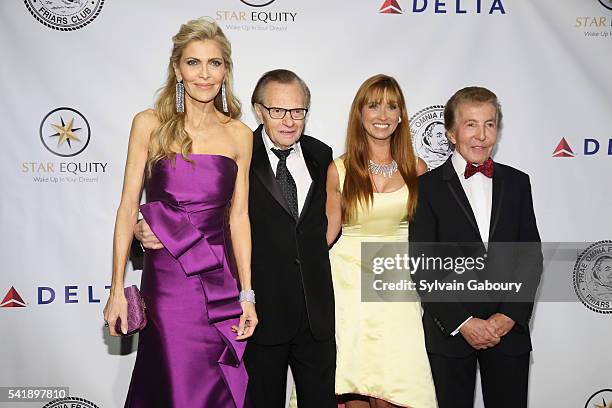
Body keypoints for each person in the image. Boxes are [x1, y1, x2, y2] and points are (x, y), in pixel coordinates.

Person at [135, 69, 337, 408]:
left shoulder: (322, 154)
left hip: (315, 315)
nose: (289, 120)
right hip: (258, 313)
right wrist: (145, 230)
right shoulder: (234, 149)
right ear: (259, 110)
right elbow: (199, 208)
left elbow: (329, 222)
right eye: (277, 111)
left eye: (297, 111)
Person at [103, 17, 256, 408]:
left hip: (220, 283)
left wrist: (248, 295)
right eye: (194, 63)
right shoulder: (149, 125)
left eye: (215, 63)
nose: (205, 74)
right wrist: (117, 288)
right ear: (177, 70)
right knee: (174, 382)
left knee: (217, 388)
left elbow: (239, 218)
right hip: (169, 283)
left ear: (226, 70)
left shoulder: (240, 134)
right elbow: (126, 208)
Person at [409, 86, 543, 408]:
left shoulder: (517, 182)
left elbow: (530, 257)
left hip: (508, 332)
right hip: (450, 333)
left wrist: (510, 314)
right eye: (471, 124)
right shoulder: (425, 189)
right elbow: (422, 264)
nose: (482, 136)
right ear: (451, 134)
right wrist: (464, 322)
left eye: (490, 124)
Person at [325, 74, 437, 408]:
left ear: (402, 114)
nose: (383, 114)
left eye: (391, 105)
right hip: (347, 283)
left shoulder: (419, 169)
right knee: (354, 381)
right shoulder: (339, 169)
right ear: (359, 113)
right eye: (374, 105)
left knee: (397, 383)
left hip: (398, 282)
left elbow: (430, 235)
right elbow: (326, 231)